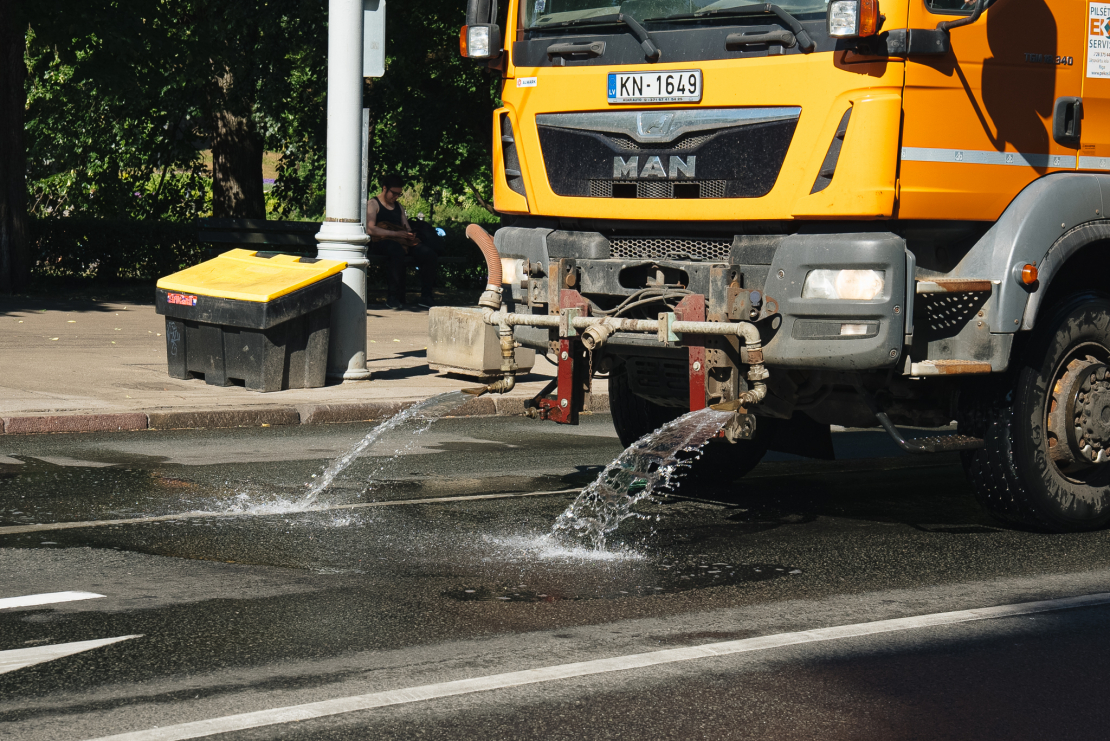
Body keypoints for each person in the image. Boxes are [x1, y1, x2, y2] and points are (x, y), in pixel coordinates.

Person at [366, 175, 439, 309]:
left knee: (428, 254)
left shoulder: (398, 206)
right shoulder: (373, 204)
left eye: (398, 194)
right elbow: (370, 229)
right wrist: (395, 234)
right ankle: (392, 297)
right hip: (381, 242)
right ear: (384, 188)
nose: (396, 197)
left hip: (401, 241)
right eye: (393, 193)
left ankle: (426, 296)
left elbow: (406, 226)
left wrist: (410, 235)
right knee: (396, 251)